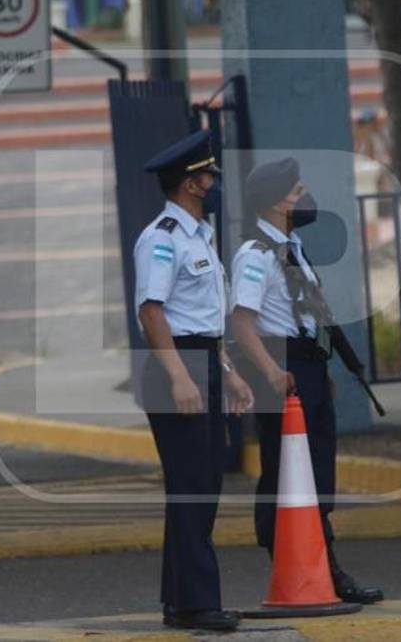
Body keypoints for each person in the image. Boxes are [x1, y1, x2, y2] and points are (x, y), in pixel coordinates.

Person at [228, 158, 384, 605]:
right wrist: (272, 371)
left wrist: (321, 371)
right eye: (298, 191)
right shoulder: (255, 255)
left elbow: (308, 315)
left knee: (317, 469)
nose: (304, 198)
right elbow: (242, 323)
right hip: (280, 370)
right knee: (287, 472)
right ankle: (308, 567)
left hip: (307, 370)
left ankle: (322, 565)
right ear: (277, 202)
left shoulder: (292, 246)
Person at [133, 130, 254, 631]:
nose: (213, 182)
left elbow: (204, 318)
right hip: (176, 366)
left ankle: (181, 598)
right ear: (190, 184)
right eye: (207, 175)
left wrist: (227, 372)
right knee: (192, 487)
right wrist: (181, 378)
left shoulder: (199, 235)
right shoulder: (162, 237)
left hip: (202, 360)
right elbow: (151, 311)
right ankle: (198, 603)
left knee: (201, 483)